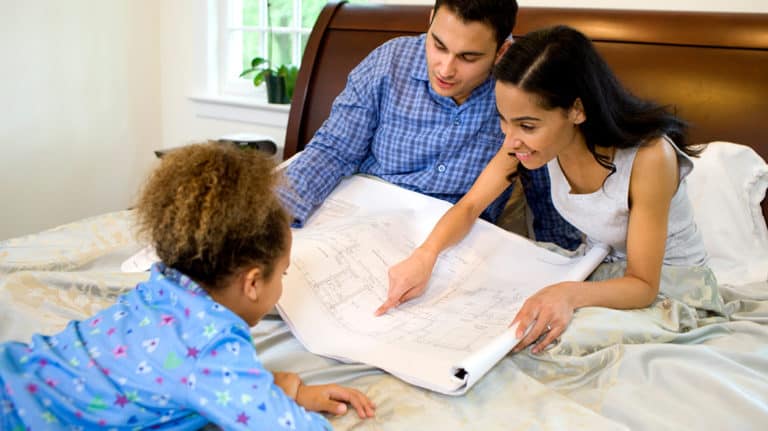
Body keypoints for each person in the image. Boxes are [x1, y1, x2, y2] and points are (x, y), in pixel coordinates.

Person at [377, 26, 708, 355]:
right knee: (507, 334)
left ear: (577, 110)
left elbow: (643, 287)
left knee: (550, 347)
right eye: (504, 121)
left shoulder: (650, 158)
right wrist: (425, 255)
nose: (510, 140)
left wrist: (566, 293)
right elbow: (469, 207)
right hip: (596, 272)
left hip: (668, 287)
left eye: (527, 126)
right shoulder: (532, 145)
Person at [0, 143, 375, 430]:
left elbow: (213, 379)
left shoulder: (160, 287)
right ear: (252, 283)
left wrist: (293, 391)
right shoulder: (210, 347)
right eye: (283, 274)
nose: (283, 285)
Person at [280, 0, 581, 250]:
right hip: (367, 221)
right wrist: (271, 219)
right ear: (431, 20)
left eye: (468, 57)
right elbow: (333, 151)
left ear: (501, 50)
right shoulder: (388, 64)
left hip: (458, 242)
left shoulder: (524, 85)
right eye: (438, 45)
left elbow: (546, 190)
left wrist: (564, 262)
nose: (446, 69)